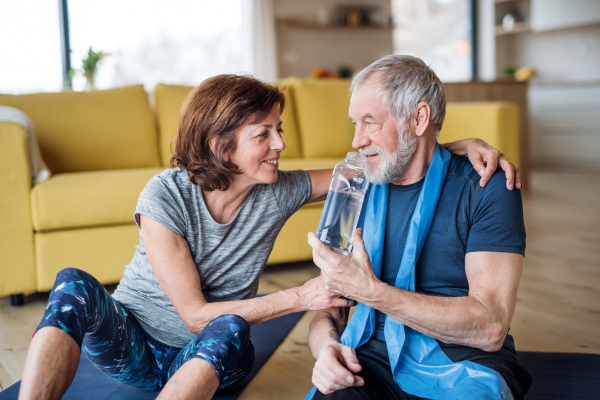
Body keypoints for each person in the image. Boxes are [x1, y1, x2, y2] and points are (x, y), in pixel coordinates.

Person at [18, 74, 520, 400]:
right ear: (221, 146)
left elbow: (377, 165)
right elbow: (192, 314)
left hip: (212, 357)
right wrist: (303, 296)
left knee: (230, 326)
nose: (281, 144)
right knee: (72, 284)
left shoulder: (276, 191)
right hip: (136, 343)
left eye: (278, 128)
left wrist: (453, 145)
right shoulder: (164, 195)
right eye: (264, 134)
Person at [306, 55, 532, 400]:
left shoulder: (486, 185)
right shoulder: (352, 188)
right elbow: (329, 308)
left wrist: (372, 292)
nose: (356, 140)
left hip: (464, 360)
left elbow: (490, 327)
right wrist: (326, 349)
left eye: (370, 122)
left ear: (419, 117)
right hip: (368, 356)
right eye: (355, 123)